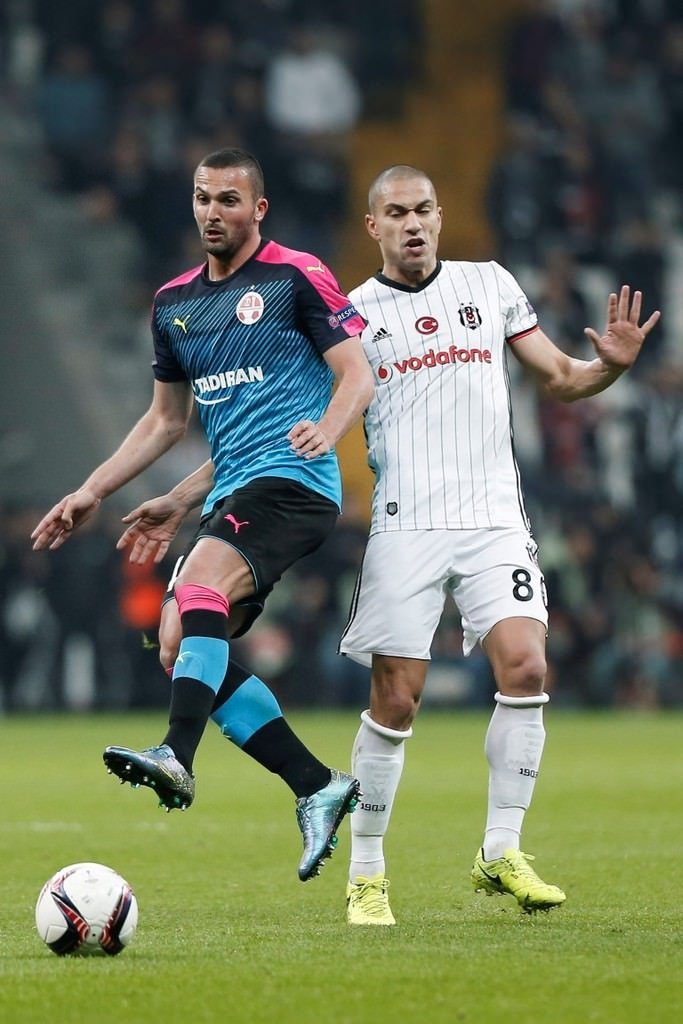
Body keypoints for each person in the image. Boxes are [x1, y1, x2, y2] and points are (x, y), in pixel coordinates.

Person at [112, 165, 660, 925]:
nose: (412, 224)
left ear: (441, 216)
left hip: (493, 517)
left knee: (528, 664)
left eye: (424, 210)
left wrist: (610, 367)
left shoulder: (491, 284)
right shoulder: (350, 313)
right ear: (372, 227)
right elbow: (275, 426)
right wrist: (180, 496)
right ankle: (367, 873)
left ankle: (501, 849)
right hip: (403, 523)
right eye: (396, 212)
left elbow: (562, 378)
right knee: (396, 699)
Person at [30, 146, 375, 883]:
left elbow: (356, 372)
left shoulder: (294, 274)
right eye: (201, 197)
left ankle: (176, 756)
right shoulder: (174, 304)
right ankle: (316, 784)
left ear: (258, 209)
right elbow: (163, 422)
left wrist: (329, 429)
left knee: (199, 591)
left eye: (227, 199)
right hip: (230, 491)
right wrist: (97, 490)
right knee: (177, 641)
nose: (212, 212)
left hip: (295, 483)